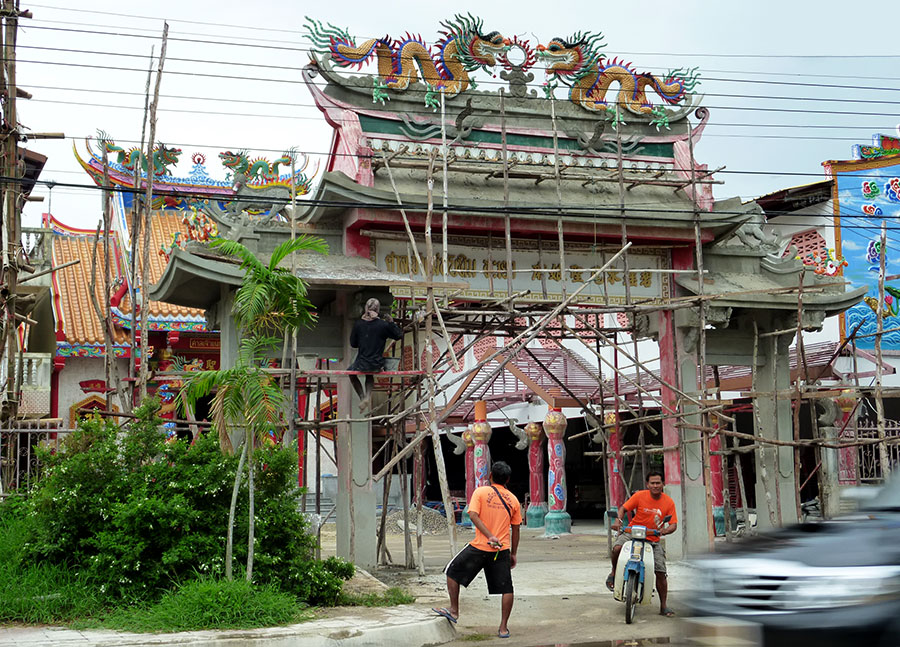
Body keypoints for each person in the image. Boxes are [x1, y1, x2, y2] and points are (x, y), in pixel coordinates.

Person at [433, 461, 522, 639]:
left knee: (452, 571)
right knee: (507, 588)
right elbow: (516, 529)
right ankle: (503, 628)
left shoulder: (480, 492)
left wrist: (489, 536)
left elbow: (473, 515)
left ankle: (454, 610)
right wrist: (513, 553)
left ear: (490, 476)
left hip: (480, 546)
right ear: (507, 480)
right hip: (501, 550)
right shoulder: (513, 500)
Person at [606, 469, 678, 617]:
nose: (655, 486)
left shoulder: (668, 502)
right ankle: (613, 572)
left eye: (658, 483)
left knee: (660, 571)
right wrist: (618, 521)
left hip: (653, 538)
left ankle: (663, 606)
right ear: (647, 484)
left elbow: (673, 524)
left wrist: (665, 531)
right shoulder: (639, 496)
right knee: (617, 548)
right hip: (632, 533)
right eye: (652, 483)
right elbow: (623, 508)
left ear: (663, 484)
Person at [347, 298, 402, 412]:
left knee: (351, 373)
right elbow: (398, 335)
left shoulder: (358, 324)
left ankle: (362, 397)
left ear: (366, 308)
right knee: (370, 374)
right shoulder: (383, 325)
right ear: (378, 310)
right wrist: (391, 322)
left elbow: (353, 344)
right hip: (377, 363)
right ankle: (368, 396)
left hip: (361, 362)